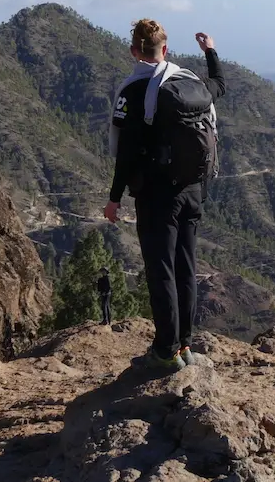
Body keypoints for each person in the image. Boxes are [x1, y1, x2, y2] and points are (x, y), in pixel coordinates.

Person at [104, 19, 226, 371]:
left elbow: (126, 152)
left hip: (157, 195)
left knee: (161, 272)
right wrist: (210, 52)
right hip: (193, 190)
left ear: (134, 52)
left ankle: (165, 351)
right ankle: (184, 344)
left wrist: (115, 199)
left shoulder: (137, 92)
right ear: (166, 50)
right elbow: (219, 85)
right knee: (186, 267)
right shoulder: (189, 82)